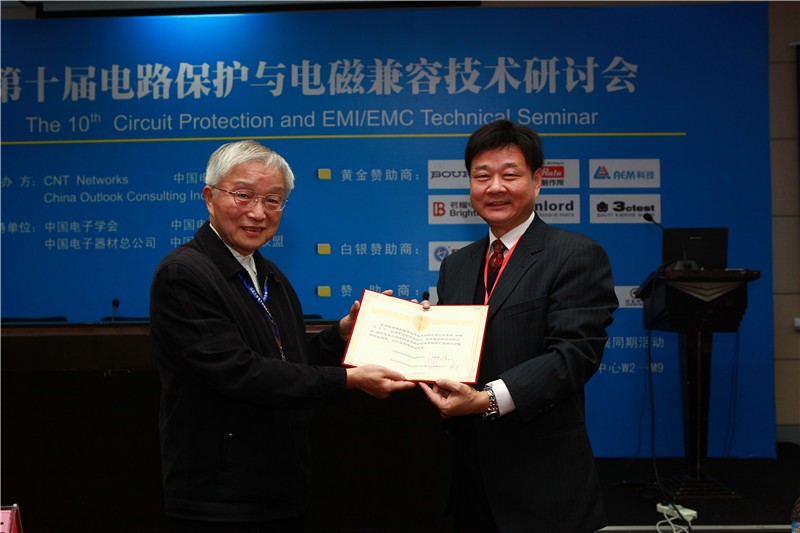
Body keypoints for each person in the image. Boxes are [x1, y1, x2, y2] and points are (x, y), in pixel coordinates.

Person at [149, 140, 415, 532]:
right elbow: (240, 372)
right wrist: (348, 380)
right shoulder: (184, 275)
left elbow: (289, 360)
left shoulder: (269, 275)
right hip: (219, 499)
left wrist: (343, 334)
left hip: (280, 488)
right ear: (209, 197)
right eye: (243, 195)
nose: (258, 212)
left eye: (273, 200)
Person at [419, 120, 618, 532]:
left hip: (540, 479)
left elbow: (574, 354)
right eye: (482, 176)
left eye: (509, 175)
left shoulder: (575, 254)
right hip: (465, 479)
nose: (495, 187)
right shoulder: (456, 265)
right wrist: (422, 334)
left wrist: (487, 400)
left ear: (538, 180)